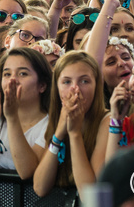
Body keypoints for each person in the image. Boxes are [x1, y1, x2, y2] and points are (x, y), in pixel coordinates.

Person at [32, 51, 110, 204]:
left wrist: (74, 134)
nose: (76, 89)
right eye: (67, 82)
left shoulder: (108, 122)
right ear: (57, 87)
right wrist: (59, 134)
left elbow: (90, 196)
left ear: (97, 85)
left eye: (84, 81)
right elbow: (40, 187)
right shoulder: (54, 118)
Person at [0, 47, 51, 179]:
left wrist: (12, 118)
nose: (13, 80)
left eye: (23, 74)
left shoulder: (50, 125)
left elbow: (27, 172)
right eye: (7, 74)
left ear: (42, 85)